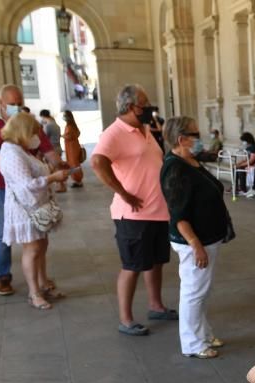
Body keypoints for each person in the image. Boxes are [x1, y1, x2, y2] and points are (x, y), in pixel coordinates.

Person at [91, 84, 175, 336]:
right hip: (133, 214)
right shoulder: (114, 132)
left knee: (156, 262)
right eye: (144, 104)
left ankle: (156, 305)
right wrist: (123, 193)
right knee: (133, 266)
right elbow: (97, 162)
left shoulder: (145, 130)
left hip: (158, 210)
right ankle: (126, 319)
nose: (149, 109)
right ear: (130, 107)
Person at [0, 84, 65, 296]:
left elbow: (47, 149)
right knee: (4, 234)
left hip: (33, 191)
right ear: (1, 103)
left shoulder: (27, 123)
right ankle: (4, 276)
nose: (17, 107)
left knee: (38, 241)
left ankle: (41, 282)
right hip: (1, 186)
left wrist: (59, 163)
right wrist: (10, 165)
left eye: (19, 103)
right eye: (12, 104)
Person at [160, 116, 234, 359]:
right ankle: (192, 343)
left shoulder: (189, 160)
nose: (199, 138)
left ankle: (202, 333)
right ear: (182, 139)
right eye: (195, 134)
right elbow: (178, 215)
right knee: (193, 291)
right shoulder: (175, 168)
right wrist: (195, 245)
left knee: (202, 290)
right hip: (194, 241)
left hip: (208, 237)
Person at [0, 112, 70, 310]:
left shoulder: (22, 150)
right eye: (34, 132)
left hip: (36, 205)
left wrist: (53, 171)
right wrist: (53, 178)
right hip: (24, 209)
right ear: (23, 132)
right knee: (32, 249)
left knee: (41, 246)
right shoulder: (11, 152)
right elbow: (25, 185)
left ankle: (44, 283)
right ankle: (34, 292)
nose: (37, 137)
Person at [38, 110, 65, 193]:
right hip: (58, 147)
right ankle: (61, 186)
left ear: (43, 116)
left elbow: (44, 139)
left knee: (52, 169)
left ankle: (60, 186)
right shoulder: (56, 124)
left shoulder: (48, 126)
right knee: (57, 168)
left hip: (51, 150)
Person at [62, 110, 83, 188]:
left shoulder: (70, 126)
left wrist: (63, 136)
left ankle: (78, 180)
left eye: (64, 115)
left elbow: (69, 136)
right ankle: (77, 180)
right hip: (72, 146)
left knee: (73, 163)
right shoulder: (72, 125)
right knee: (73, 163)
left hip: (72, 148)